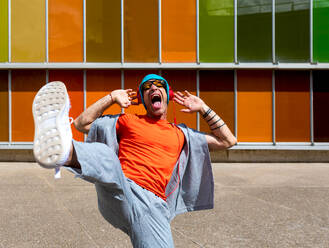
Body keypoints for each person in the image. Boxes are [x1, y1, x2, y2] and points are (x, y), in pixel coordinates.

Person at [32, 74, 237, 247]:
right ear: (142, 98)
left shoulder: (181, 133)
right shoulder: (128, 120)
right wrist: (112, 97)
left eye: (158, 85)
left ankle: (64, 149)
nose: (153, 88)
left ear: (168, 95)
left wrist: (203, 108)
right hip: (122, 186)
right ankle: (63, 151)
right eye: (147, 87)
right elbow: (81, 123)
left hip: (154, 206)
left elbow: (228, 140)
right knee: (107, 157)